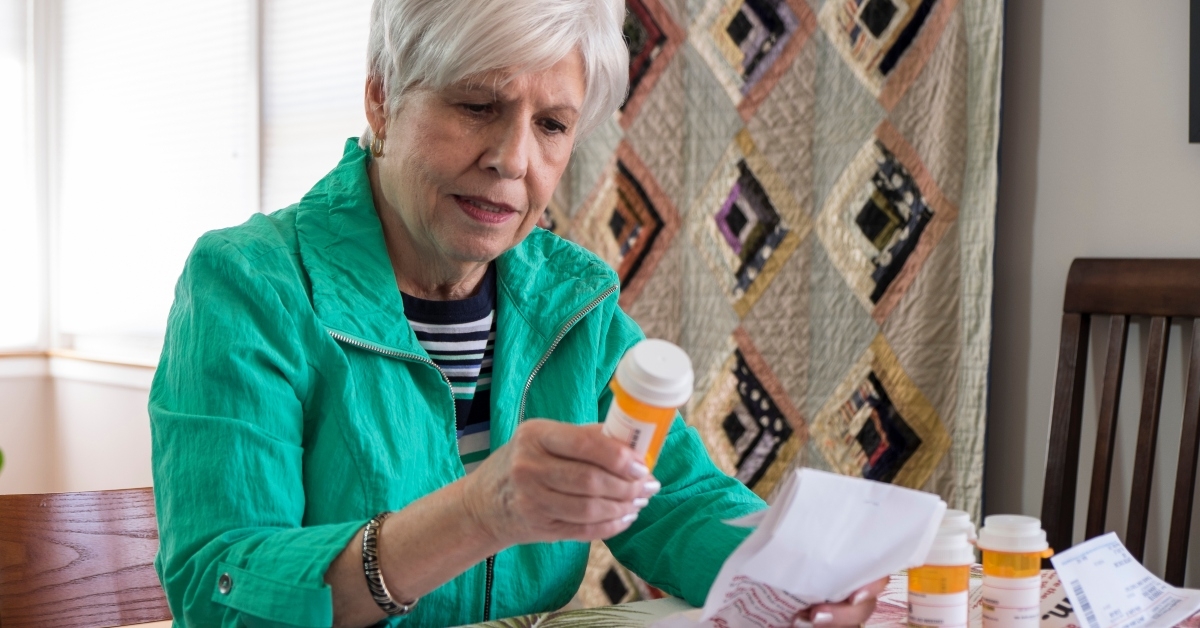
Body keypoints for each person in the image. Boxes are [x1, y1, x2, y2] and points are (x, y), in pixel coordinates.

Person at [149, 0, 887, 626]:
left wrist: (795, 575)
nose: (513, 158)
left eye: (553, 125)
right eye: (478, 106)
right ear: (381, 100)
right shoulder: (249, 284)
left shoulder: (574, 300)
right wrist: (479, 512)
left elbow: (674, 500)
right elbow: (218, 590)